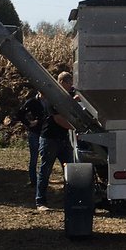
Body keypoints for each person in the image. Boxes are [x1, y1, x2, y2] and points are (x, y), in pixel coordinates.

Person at [34, 71, 76, 210]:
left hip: (63, 139)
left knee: (70, 170)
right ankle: (40, 201)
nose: (71, 86)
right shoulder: (53, 98)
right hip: (49, 139)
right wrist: (75, 128)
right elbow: (58, 119)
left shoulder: (65, 97)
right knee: (45, 170)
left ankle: (71, 199)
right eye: (69, 83)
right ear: (62, 82)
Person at [15, 92, 45, 188]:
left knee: (46, 158)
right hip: (35, 132)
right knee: (34, 158)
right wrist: (28, 123)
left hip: (47, 133)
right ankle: (33, 181)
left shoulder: (50, 101)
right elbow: (20, 114)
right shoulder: (32, 102)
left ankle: (43, 180)